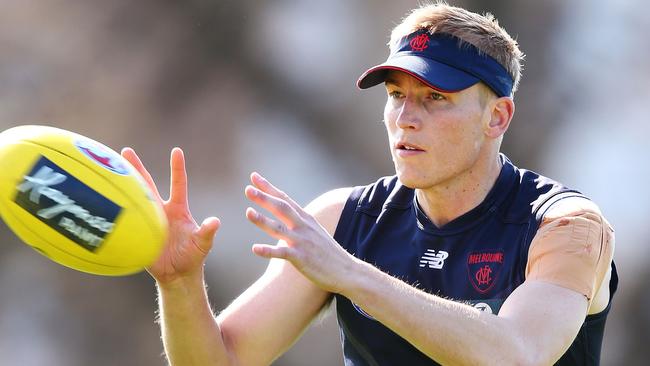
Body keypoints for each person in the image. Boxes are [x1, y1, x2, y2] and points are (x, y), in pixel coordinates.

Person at [121, 2, 617, 365]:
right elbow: (222, 361)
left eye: (435, 98)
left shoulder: (566, 227)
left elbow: (518, 355)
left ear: (497, 117)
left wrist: (352, 275)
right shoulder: (344, 220)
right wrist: (179, 283)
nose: (405, 117)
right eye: (397, 94)